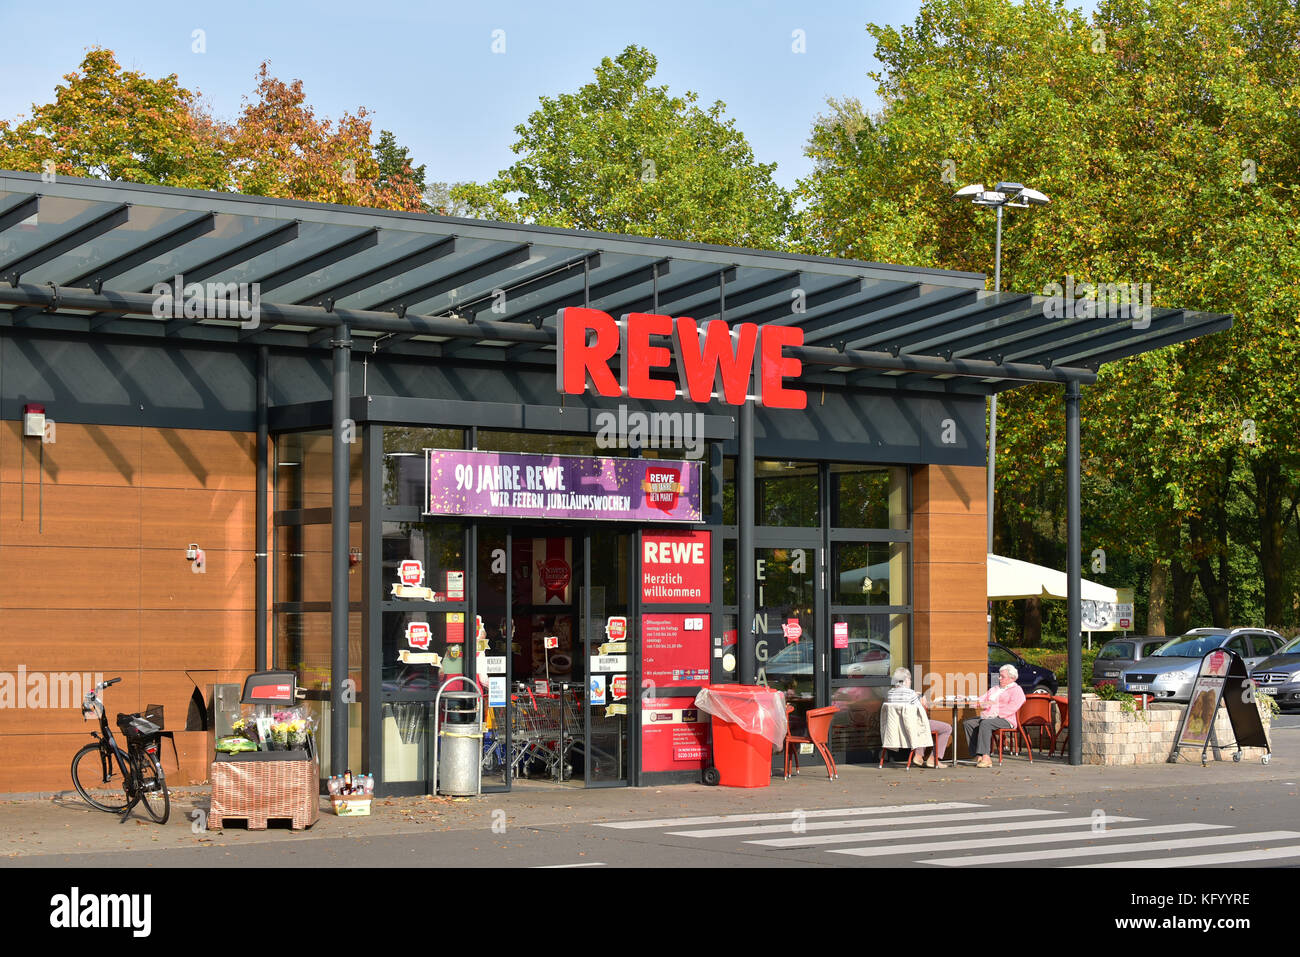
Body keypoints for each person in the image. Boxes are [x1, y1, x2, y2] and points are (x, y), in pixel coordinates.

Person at [887, 667, 952, 768]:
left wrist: (915, 696)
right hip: (912, 727)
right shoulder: (911, 694)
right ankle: (933, 759)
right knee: (946, 728)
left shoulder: (890, 693)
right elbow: (921, 712)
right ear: (906, 680)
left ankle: (918, 755)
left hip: (897, 728)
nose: (910, 682)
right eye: (910, 679)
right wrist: (922, 701)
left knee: (921, 725)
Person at [963, 664, 1026, 767]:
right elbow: (981, 699)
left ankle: (986, 757)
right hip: (989, 717)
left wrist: (996, 714)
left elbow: (1014, 706)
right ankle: (977, 756)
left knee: (985, 723)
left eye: (1002, 676)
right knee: (969, 723)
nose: (999, 678)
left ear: (1012, 678)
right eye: (999, 676)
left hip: (1006, 719)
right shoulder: (995, 689)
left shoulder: (1016, 690)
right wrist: (967, 699)